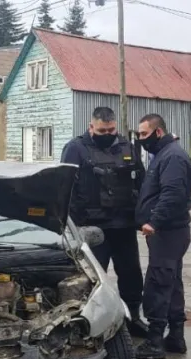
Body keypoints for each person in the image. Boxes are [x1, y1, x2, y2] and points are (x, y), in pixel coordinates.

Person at [61, 107, 147, 334]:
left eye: (111, 129)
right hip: (92, 228)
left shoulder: (127, 146)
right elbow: (64, 186)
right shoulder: (75, 148)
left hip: (124, 225)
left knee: (131, 275)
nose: (107, 133)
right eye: (101, 130)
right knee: (93, 279)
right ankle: (92, 326)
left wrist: (142, 216)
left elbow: (141, 182)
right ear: (91, 127)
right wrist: (72, 223)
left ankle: (133, 318)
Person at [134, 114, 191, 359]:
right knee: (172, 282)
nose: (140, 140)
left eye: (144, 134)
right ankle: (176, 337)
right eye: (138, 135)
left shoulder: (172, 157)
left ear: (158, 132)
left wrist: (153, 222)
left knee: (158, 283)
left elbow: (172, 194)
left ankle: (155, 341)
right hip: (168, 232)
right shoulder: (165, 154)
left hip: (168, 232)